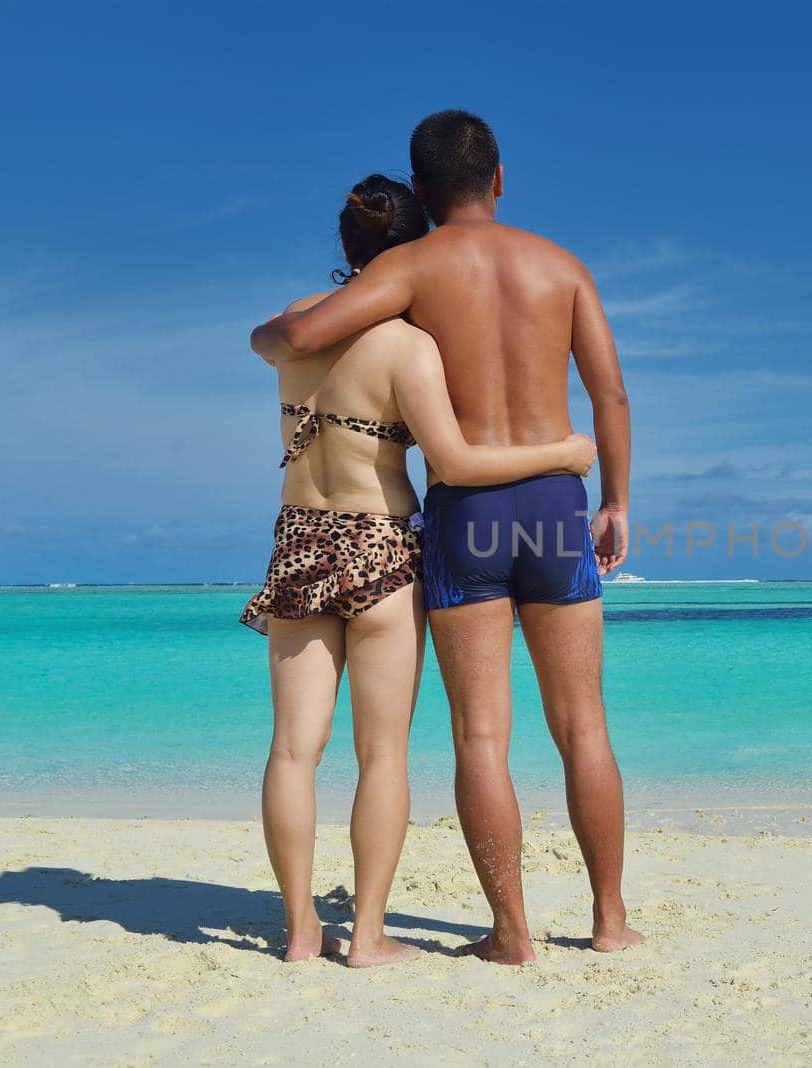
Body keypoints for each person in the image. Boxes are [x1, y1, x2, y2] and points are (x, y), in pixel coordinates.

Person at [251, 111, 642, 963]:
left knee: (479, 736)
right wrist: (613, 498)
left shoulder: (408, 267)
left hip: (467, 509)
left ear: (420, 192)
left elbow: (301, 337)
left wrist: (270, 335)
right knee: (584, 727)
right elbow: (610, 395)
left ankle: (510, 935)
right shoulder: (561, 266)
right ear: (500, 178)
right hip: (553, 501)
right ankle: (609, 922)